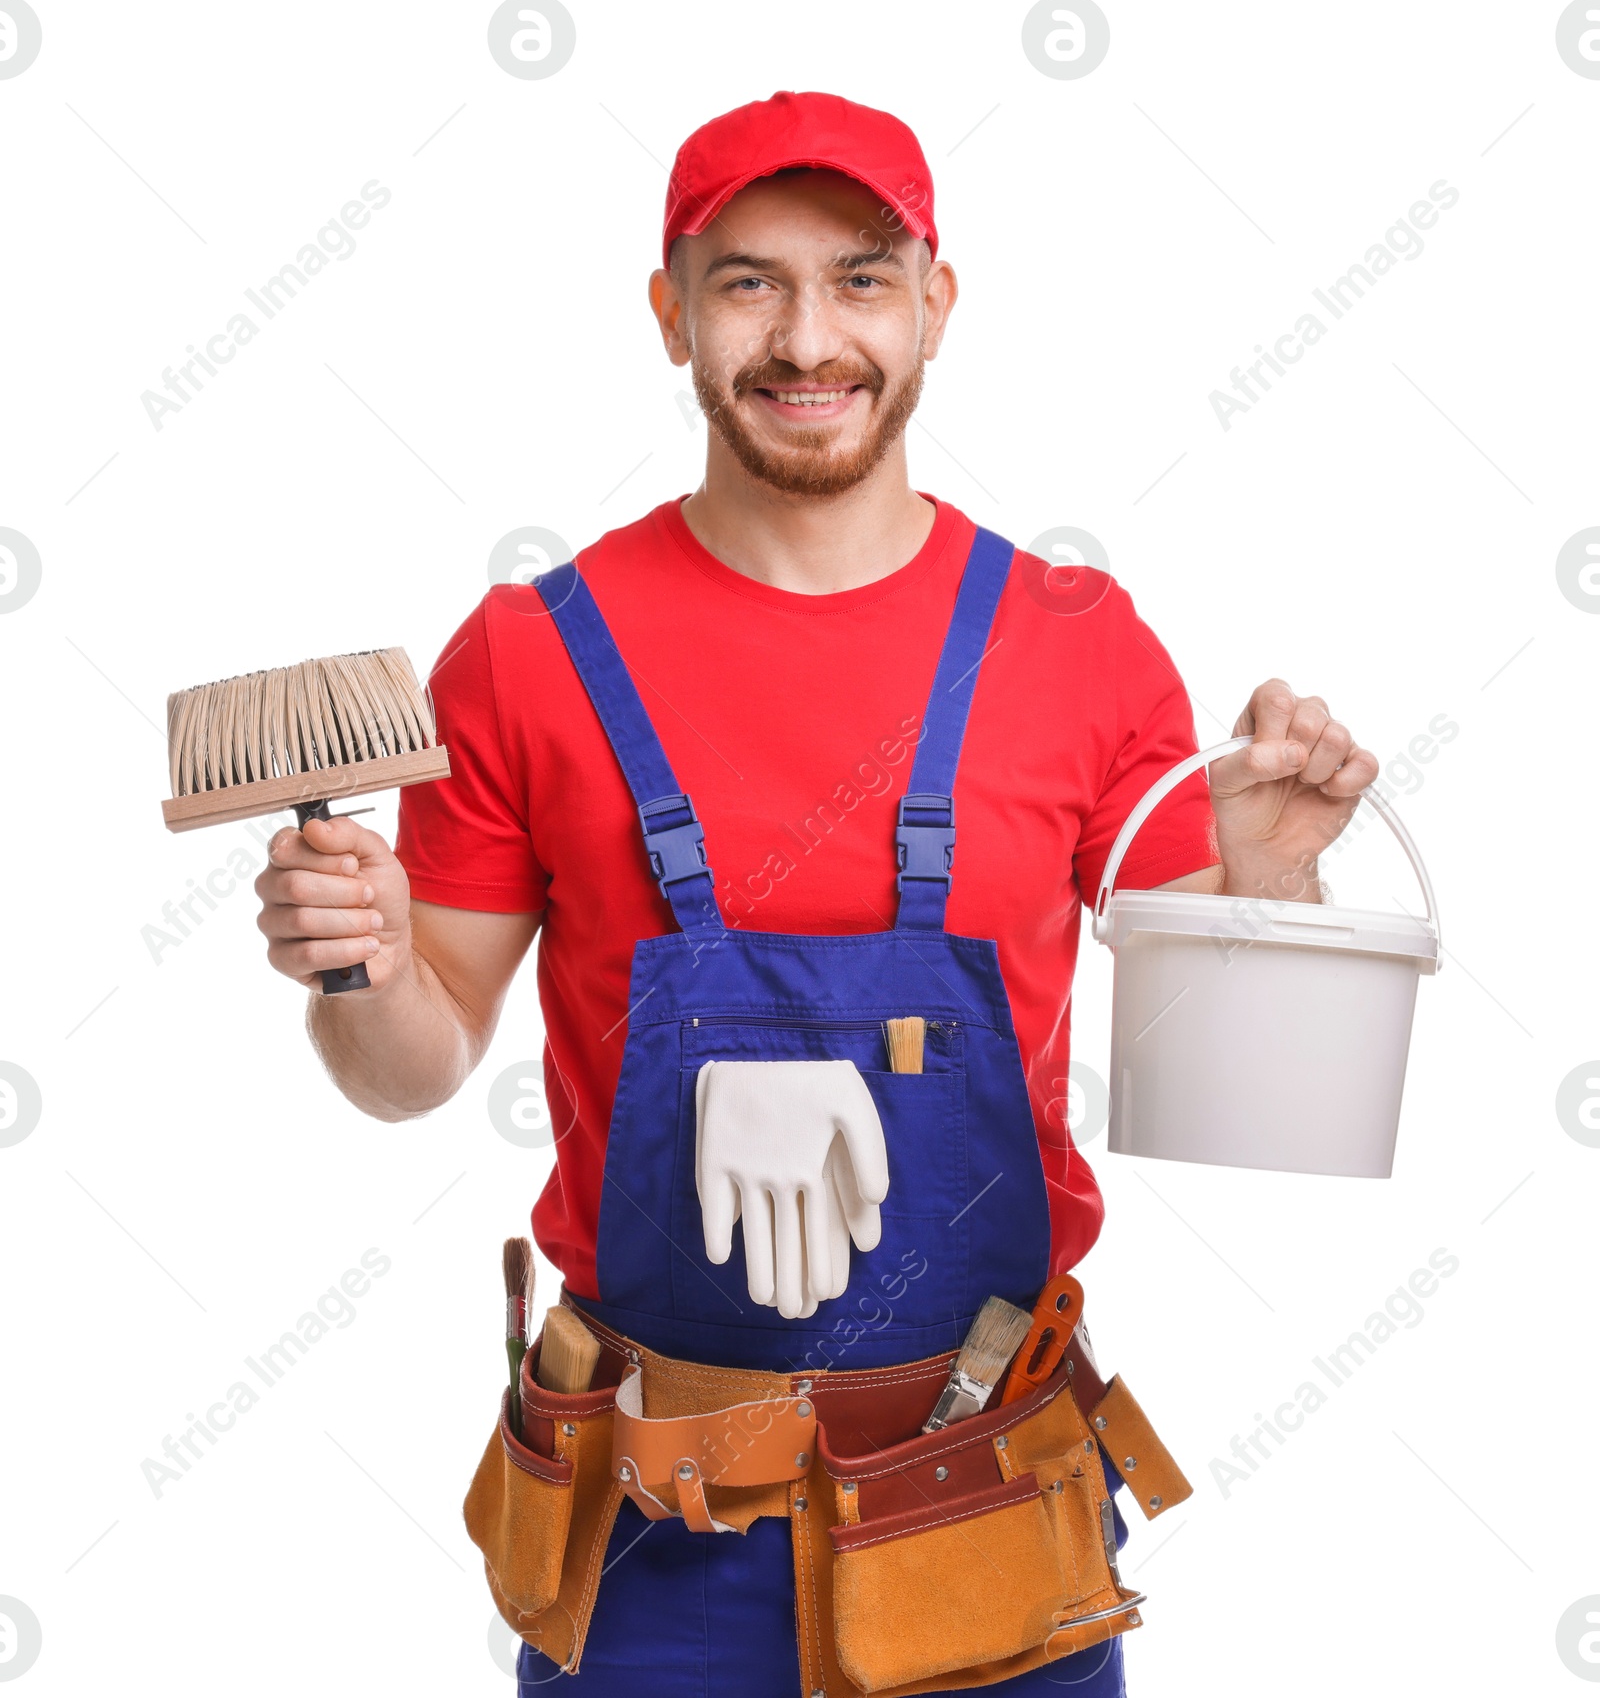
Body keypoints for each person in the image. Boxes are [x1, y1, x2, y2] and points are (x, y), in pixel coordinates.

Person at [254, 90, 1377, 1697]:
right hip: (651, 1530)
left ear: (935, 301)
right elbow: (408, 1075)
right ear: (671, 313)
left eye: (859, 277)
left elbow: (1232, 1098)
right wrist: (353, 967)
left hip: (987, 1501)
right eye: (746, 282)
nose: (806, 338)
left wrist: (1269, 891)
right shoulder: (532, 652)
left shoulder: (1077, 642)